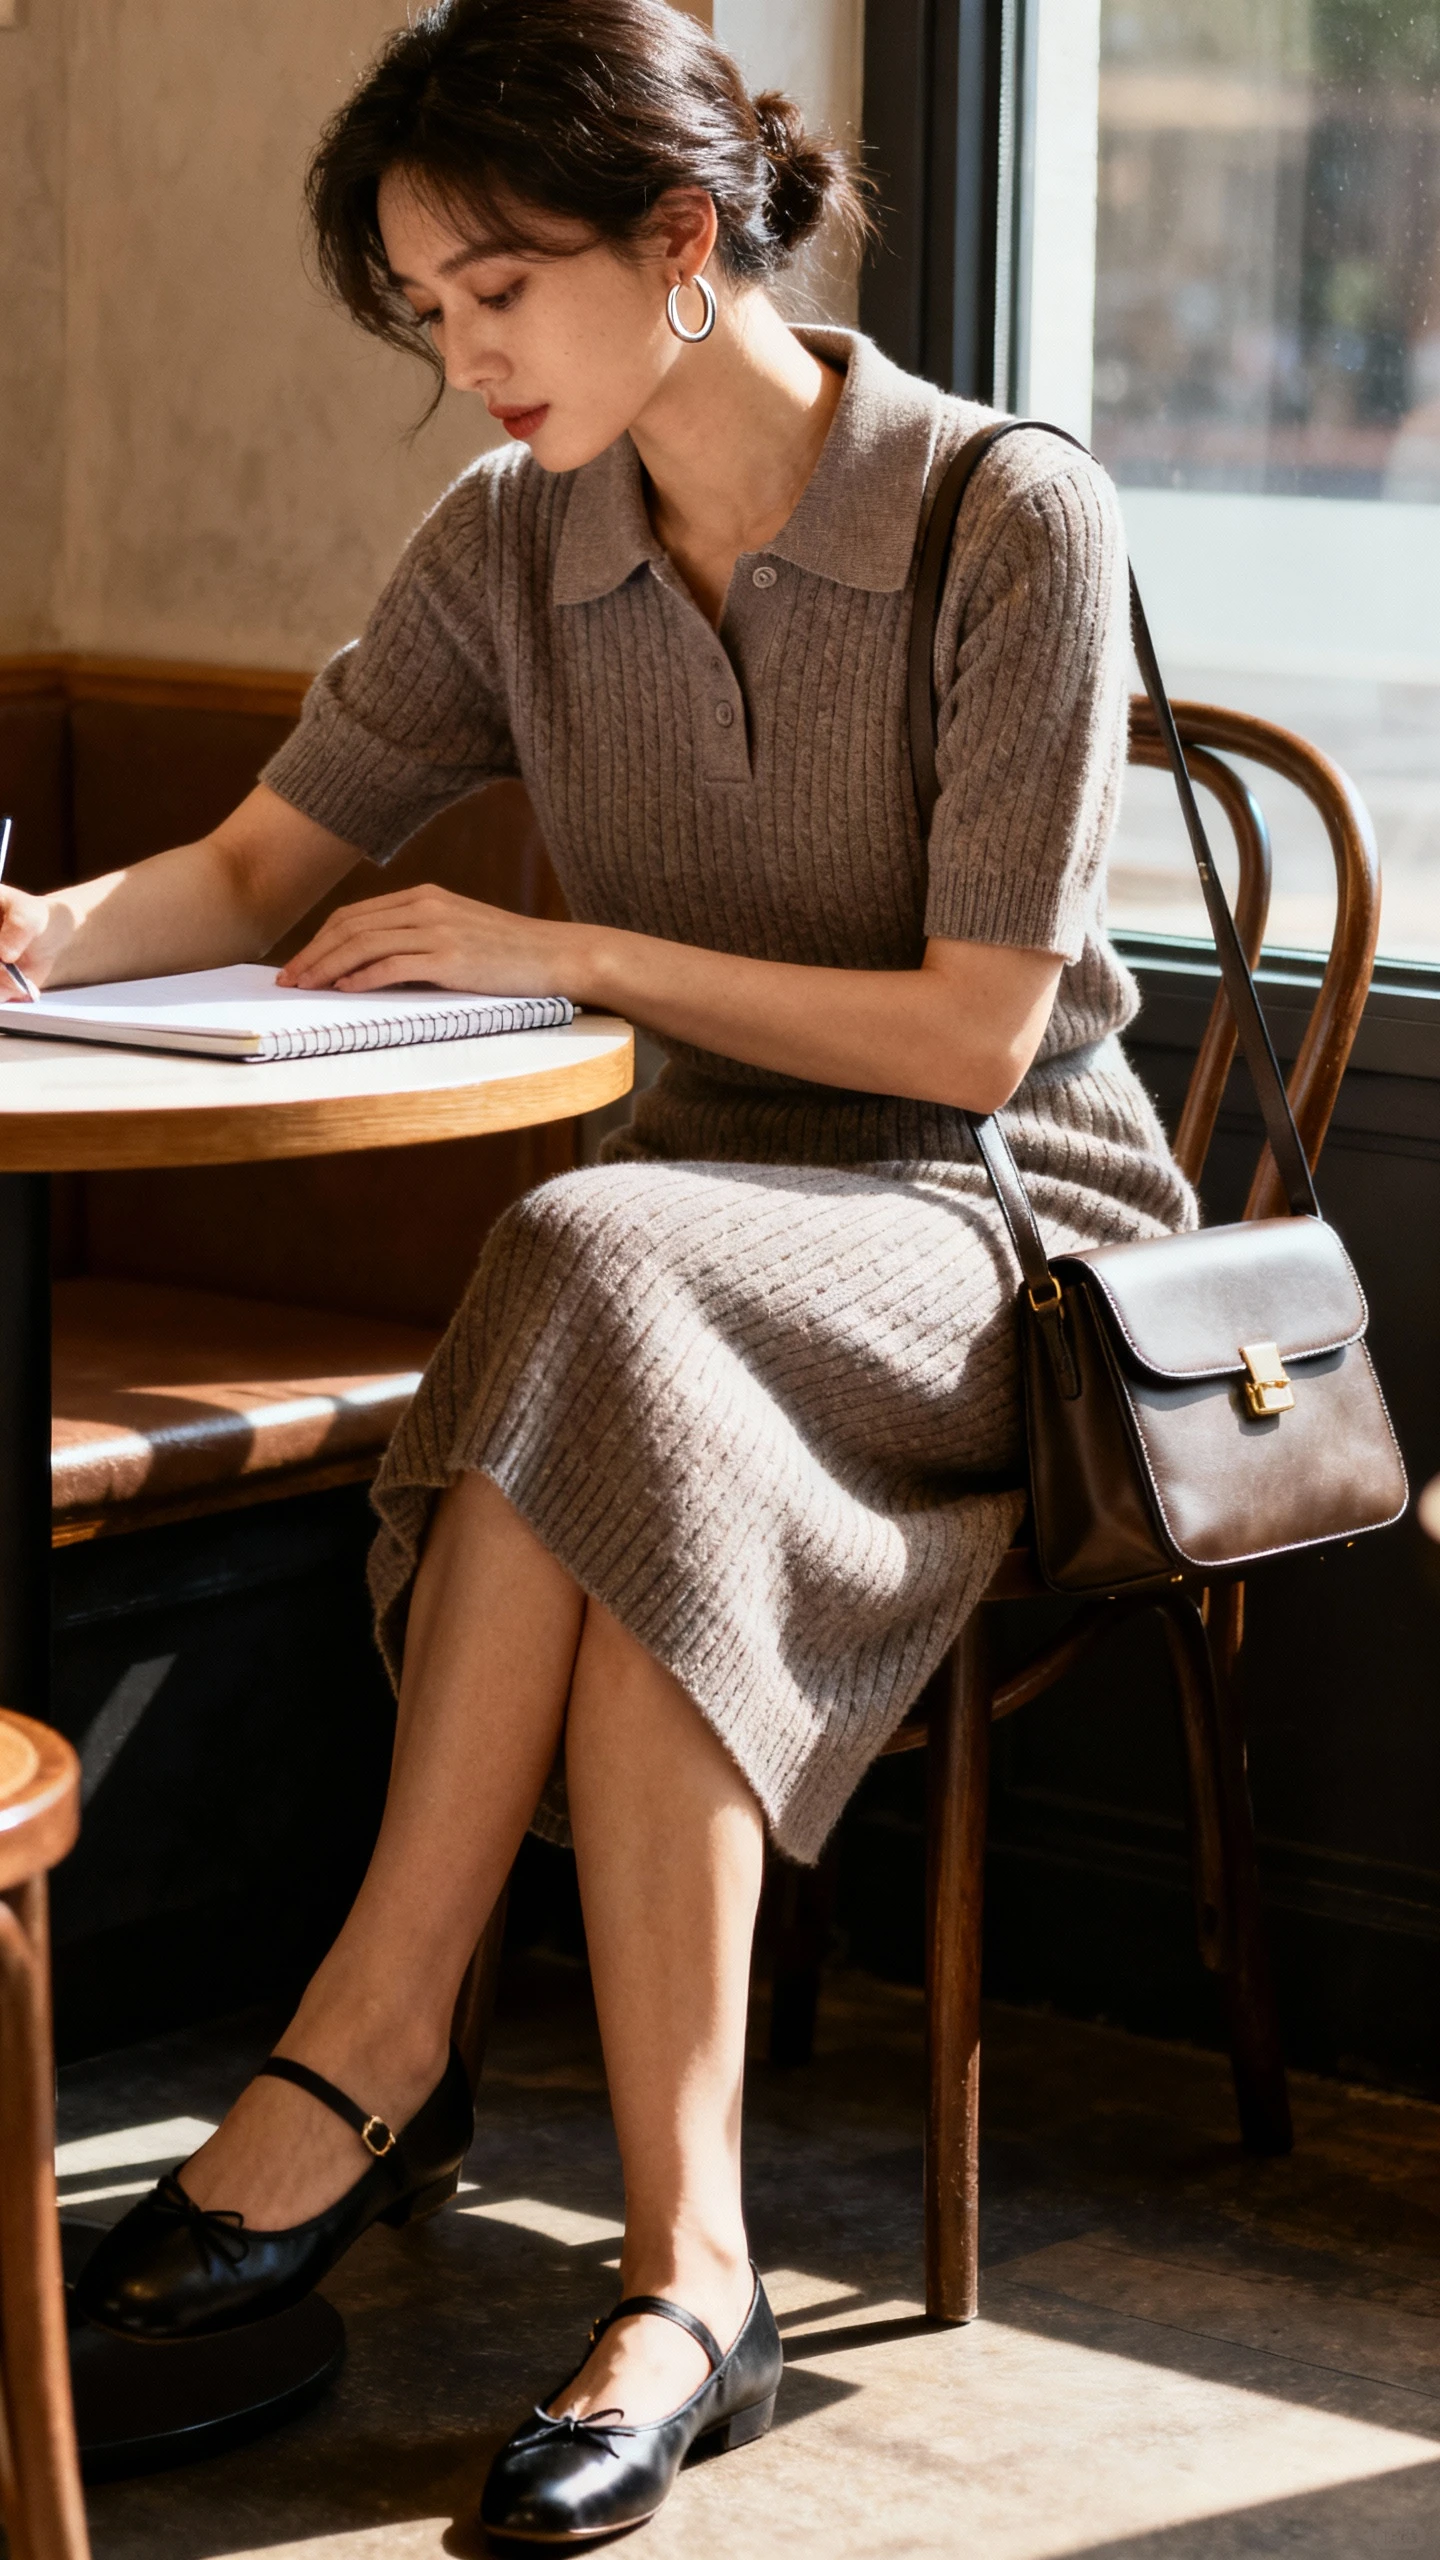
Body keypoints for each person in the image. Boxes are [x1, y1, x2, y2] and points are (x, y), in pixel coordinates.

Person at [0, 0, 1196, 2538]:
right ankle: (690, 2272)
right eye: (425, 313)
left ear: (681, 244)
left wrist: (589, 957)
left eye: (495, 292)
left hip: (993, 1243)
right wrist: (29, 934)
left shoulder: (1004, 515)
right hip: (682, 1275)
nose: (464, 361)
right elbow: (244, 867)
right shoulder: (511, 537)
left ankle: (367, 2042)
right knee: (625, 1332)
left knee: (589, 1260)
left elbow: (984, 1038)